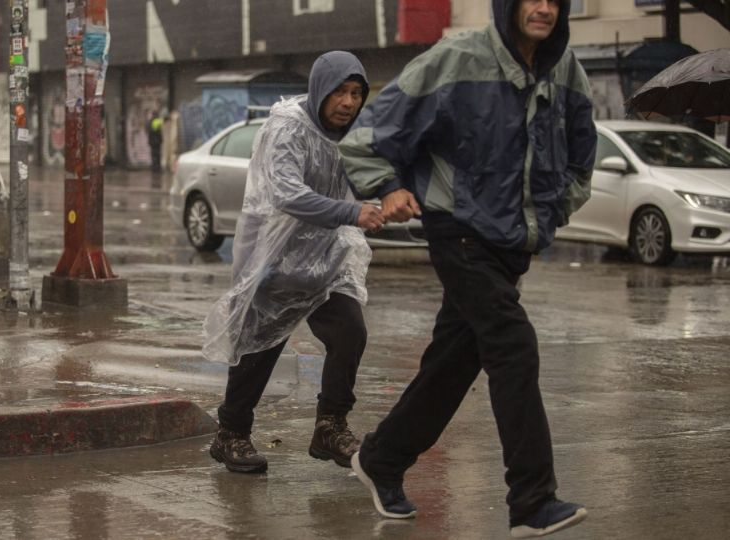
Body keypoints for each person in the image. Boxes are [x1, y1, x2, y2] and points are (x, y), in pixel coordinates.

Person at [338, 0, 596, 537]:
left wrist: (553, 210)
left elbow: (580, 154)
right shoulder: (457, 58)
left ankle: (382, 458)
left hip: (512, 244)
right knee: (513, 344)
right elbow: (367, 140)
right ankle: (532, 499)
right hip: (457, 229)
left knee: (453, 364)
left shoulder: (566, 67)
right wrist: (391, 188)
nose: (543, 8)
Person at [203, 51, 384, 474]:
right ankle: (230, 434)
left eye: (357, 93)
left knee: (350, 332)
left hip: (325, 259)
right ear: (321, 88)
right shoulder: (288, 127)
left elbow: (369, 172)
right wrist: (351, 213)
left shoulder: (350, 135)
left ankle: (330, 426)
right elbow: (286, 192)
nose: (349, 102)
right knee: (258, 349)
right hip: (274, 257)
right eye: (340, 91)